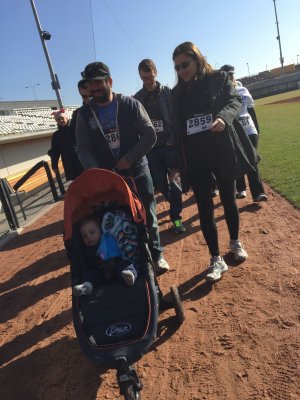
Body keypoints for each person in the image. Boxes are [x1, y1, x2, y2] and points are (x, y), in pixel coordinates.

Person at [171, 42, 259, 282]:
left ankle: (235, 242)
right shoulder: (177, 93)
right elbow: (177, 127)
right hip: (195, 156)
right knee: (204, 208)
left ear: (197, 59)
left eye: (185, 65)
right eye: (177, 67)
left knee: (229, 200)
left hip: (221, 150)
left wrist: (223, 117)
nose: (181, 71)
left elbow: (233, 102)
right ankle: (215, 258)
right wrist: (176, 159)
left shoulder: (219, 78)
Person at [75, 61, 169, 275]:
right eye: (90, 84)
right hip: (109, 180)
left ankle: (156, 255)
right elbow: (83, 148)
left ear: (109, 81)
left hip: (137, 171)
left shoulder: (130, 104)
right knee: (119, 219)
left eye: (99, 82)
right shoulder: (84, 114)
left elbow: (149, 135)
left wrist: (129, 158)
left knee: (148, 215)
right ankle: (128, 260)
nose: (94, 88)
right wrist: (97, 171)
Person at [134, 59, 185, 234]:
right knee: (161, 186)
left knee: (175, 183)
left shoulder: (167, 93)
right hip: (151, 151)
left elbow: (176, 119)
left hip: (170, 146)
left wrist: (176, 141)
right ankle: (174, 205)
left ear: (156, 72)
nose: (147, 81)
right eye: (143, 78)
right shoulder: (137, 99)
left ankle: (176, 219)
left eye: (149, 76)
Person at [220, 65, 267, 202]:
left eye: (232, 75)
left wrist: (257, 130)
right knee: (238, 159)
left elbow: (251, 110)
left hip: (250, 130)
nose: (230, 78)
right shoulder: (222, 94)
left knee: (252, 159)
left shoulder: (243, 90)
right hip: (235, 132)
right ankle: (241, 189)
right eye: (227, 76)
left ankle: (258, 193)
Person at [73, 213, 139, 295]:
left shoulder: (108, 237)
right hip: (102, 271)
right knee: (91, 275)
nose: (88, 237)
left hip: (116, 263)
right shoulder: (87, 250)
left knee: (126, 265)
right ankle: (86, 286)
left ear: (100, 231)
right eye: (84, 236)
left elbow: (122, 242)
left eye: (92, 233)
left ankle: (130, 276)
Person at [48, 109, 84, 181]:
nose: (61, 121)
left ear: (66, 118)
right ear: (56, 121)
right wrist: (54, 165)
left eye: (62, 118)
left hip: (81, 160)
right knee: (77, 184)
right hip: (69, 163)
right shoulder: (56, 135)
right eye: (58, 119)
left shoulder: (75, 127)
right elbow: (54, 152)